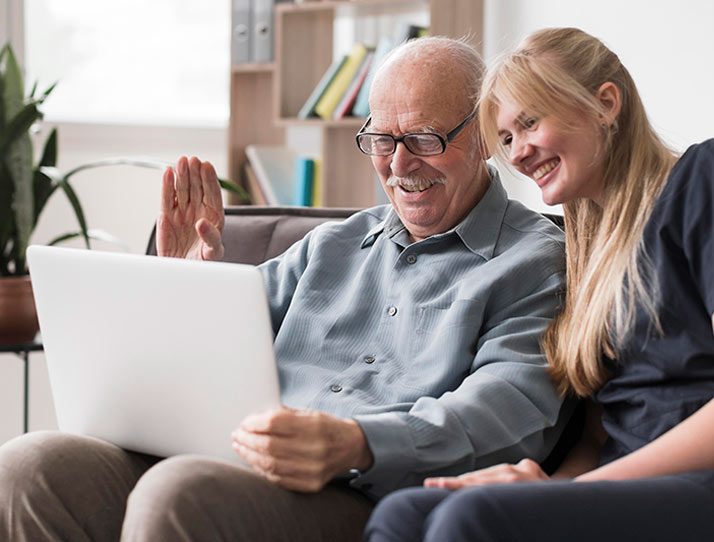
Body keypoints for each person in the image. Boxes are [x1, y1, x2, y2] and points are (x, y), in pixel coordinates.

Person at [0, 37, 573, 541]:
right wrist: (188, 288)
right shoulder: (332, 246)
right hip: (236, 459)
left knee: (179, 491)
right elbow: (216, 350)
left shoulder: (536, 262)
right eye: (380, 139)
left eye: (423, 138)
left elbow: (508, 415)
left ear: (483, 135)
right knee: (30, 464)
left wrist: (358, 443)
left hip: (362, 495)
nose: (398, 164)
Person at [364, 27, 714, 542]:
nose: (518, 153)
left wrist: (566, 494)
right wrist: (550, 484)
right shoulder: (589, 251)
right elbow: (599, 437)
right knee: (405, 513)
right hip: (626, 491)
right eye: (507, 138)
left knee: (469, 520)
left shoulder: (711, 176)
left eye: (529, 122)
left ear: (605, 104)